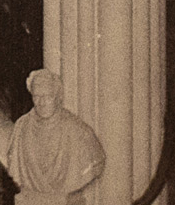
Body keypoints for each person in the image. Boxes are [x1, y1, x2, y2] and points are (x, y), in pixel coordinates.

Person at [9, 67, 105, 195]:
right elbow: (14, 168)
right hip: (31, 202)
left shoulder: (78, 130)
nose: (41, 102)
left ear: (58, 97)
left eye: (47, 96)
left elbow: (96, 161)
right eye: (36, 96)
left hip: (63, 201)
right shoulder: (21, 127)